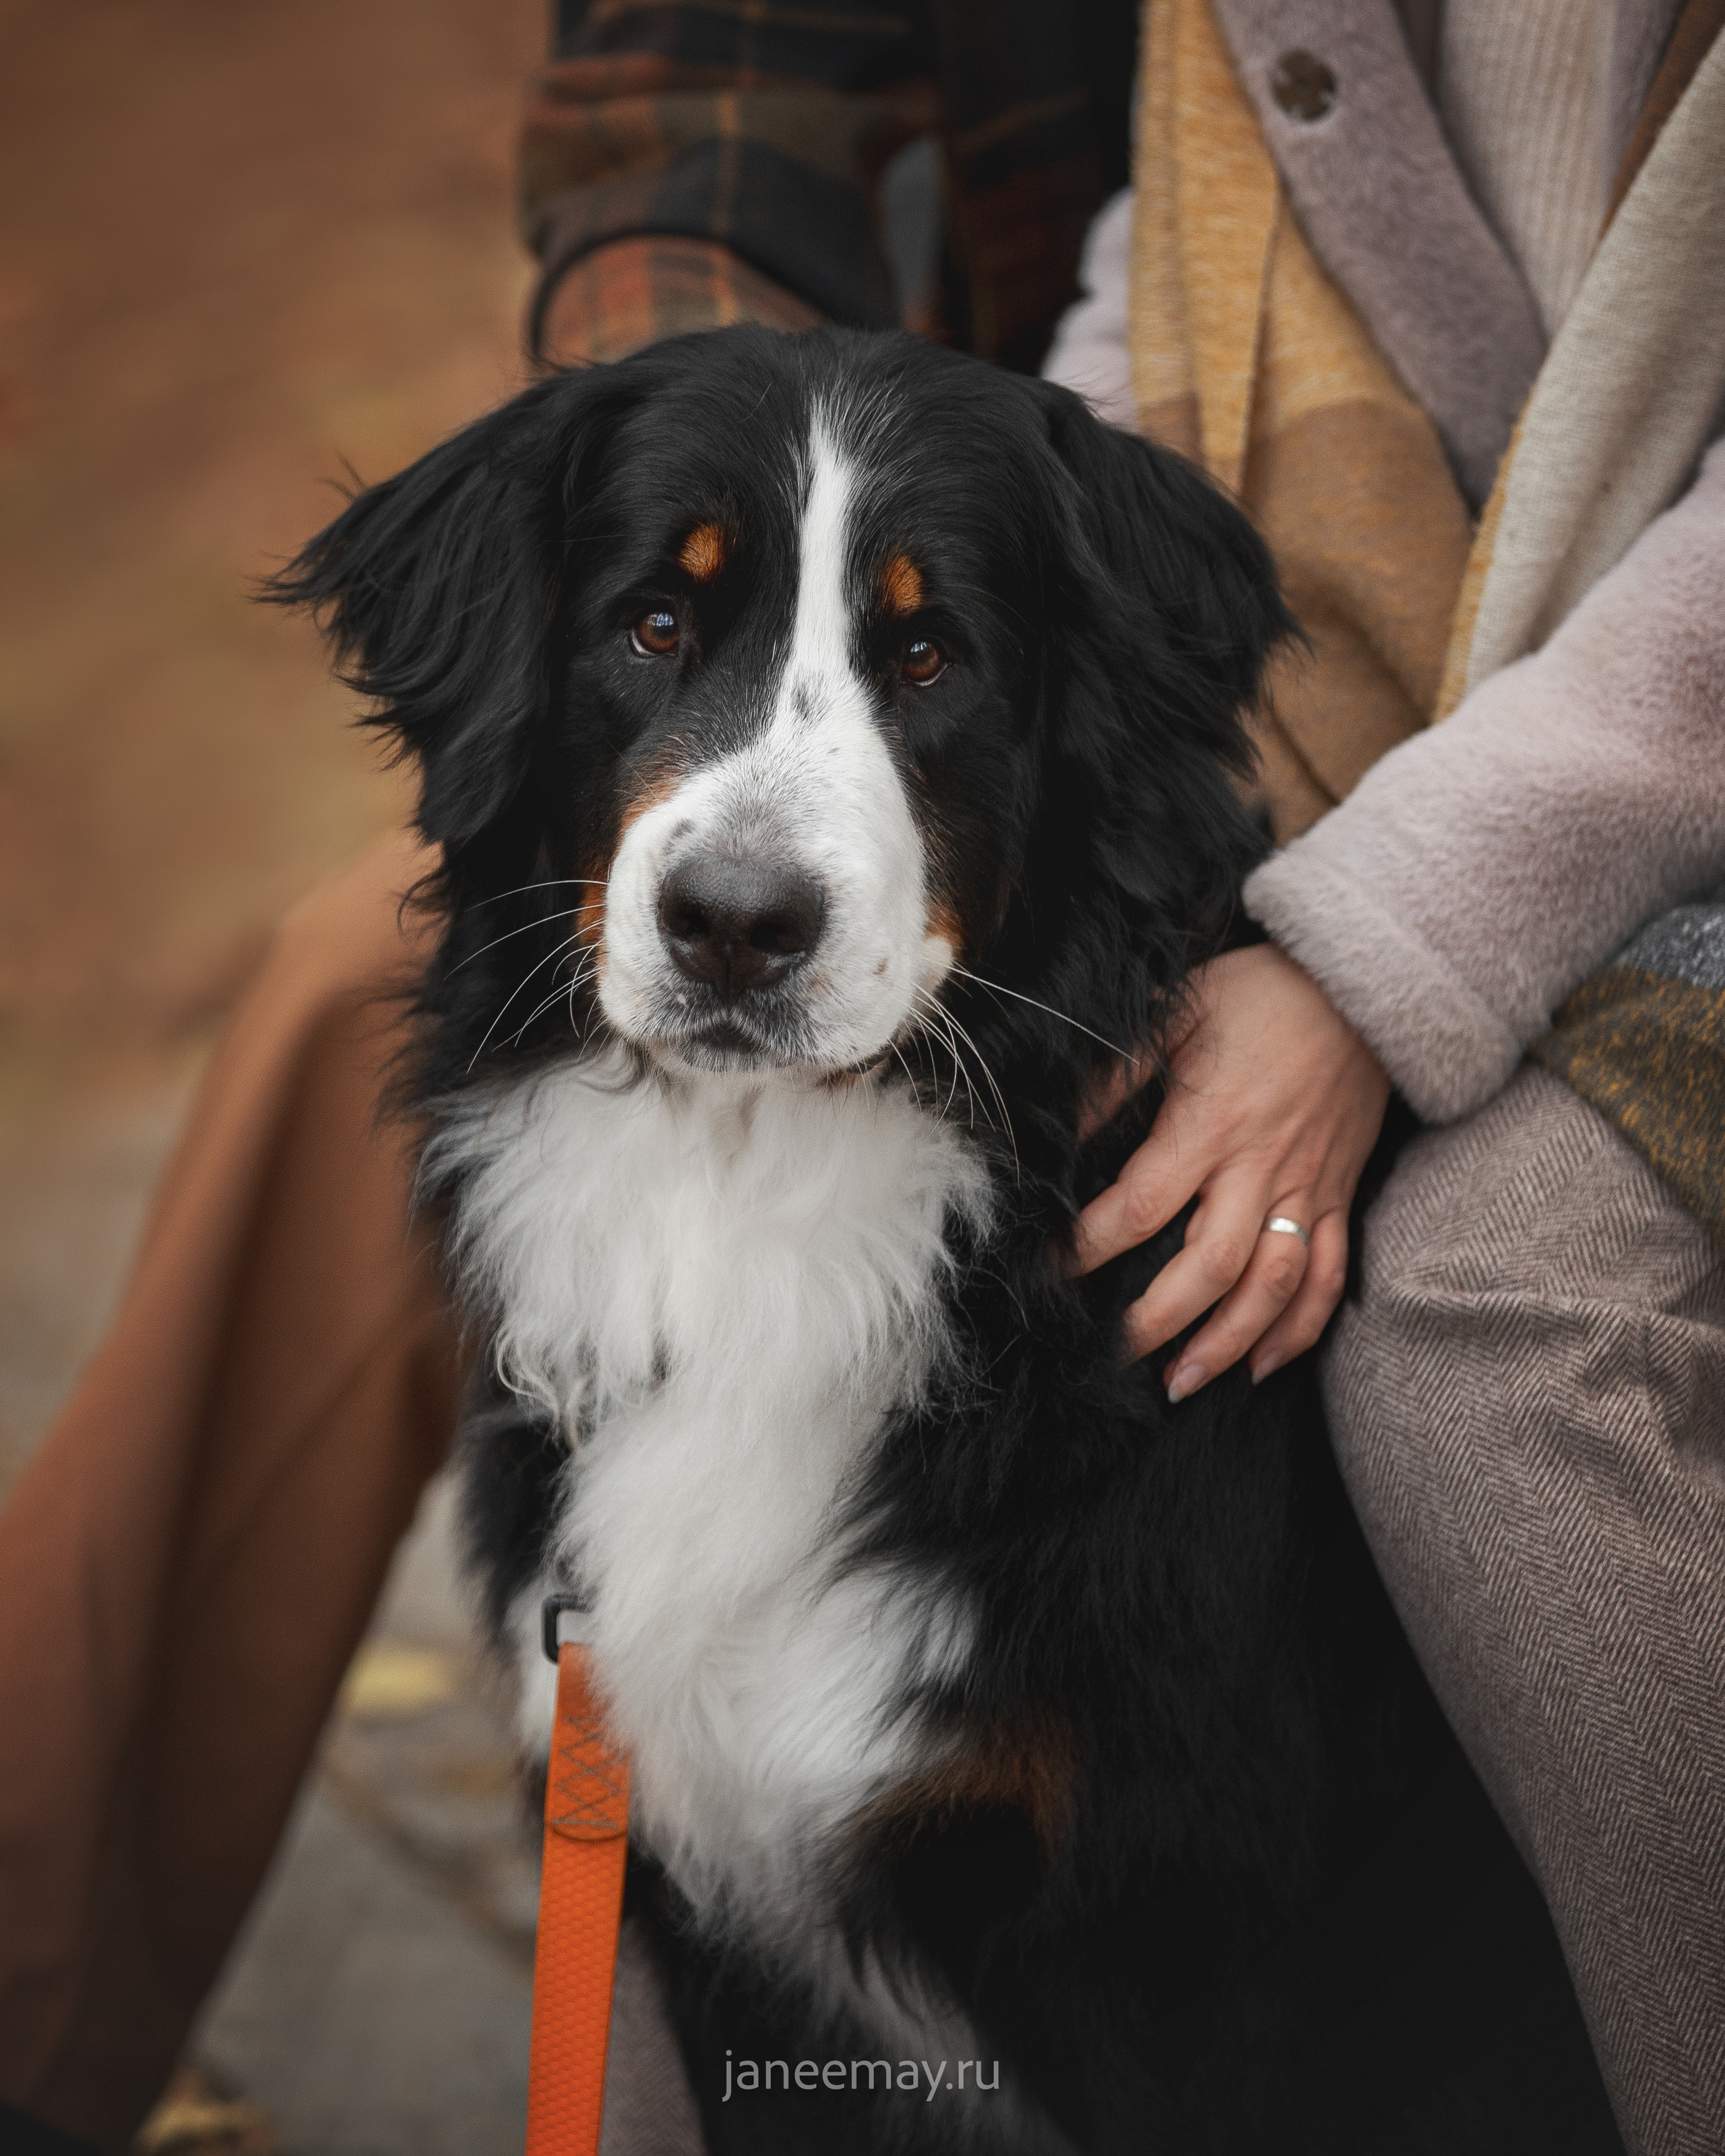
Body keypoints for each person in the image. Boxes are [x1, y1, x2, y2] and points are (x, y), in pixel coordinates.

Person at [1, 3, 1721, 2151]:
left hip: (1572, 769)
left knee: (1479, 1326)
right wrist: (704, 458)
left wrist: (1377, 939)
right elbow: (691, 109)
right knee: (350, 985)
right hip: (1008, 547)